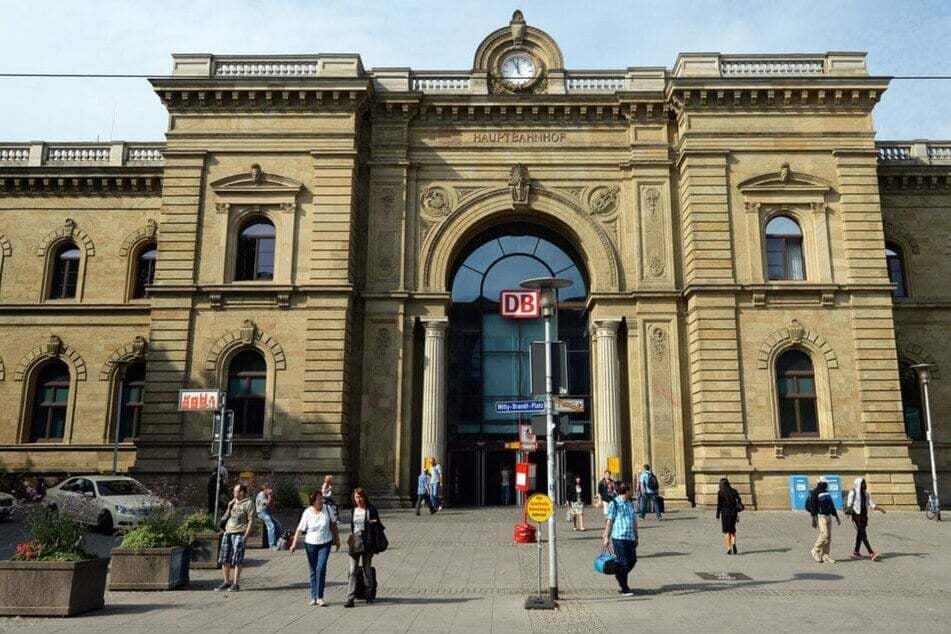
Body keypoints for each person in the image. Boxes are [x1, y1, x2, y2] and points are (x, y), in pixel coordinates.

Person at [289, 490, 340, 606]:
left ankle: (320, 596)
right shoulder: (307, 512)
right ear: (313, 502)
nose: (321, 501)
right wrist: (294, 544)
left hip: (325, 542)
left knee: (320, 568)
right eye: (318, 500)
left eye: (322, 499)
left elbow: (333, 525)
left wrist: (337, 540)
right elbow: (300, 529)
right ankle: (313, 596)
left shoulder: (327, 509)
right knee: (313, 570)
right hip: (310, 543)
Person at [216, 483, 255, 592]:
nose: (234, 493)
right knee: (224, 558)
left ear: (242, 492)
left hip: (239, 532)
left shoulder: (248, 503)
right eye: (234, 491)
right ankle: (226, 581)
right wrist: (229, 507)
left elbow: (251, 520)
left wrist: (246, 536)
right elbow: (226, 516)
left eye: (236, 491)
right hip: (228, 531)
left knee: (237, 559)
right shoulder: (232, 502)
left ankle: (235, 584)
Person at [345, 488, 381, 607]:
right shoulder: (353, 511)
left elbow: (377, 525)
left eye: (360, 497)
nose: (358, 499)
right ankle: (350, 598)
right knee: (352, 570)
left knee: (366, 569)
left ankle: (369, 593)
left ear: (364, 497)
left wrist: (372, 523)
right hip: (355, 542)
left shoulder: (371, 509)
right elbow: (352, 526)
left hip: (367, 542)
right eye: (356, 497)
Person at [602, 482, 638, 597]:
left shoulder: (630, 503)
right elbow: (610, 520)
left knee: (632, 560)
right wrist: (606, 536)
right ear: (626, 491)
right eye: (631, 489)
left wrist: (636, 536)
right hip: (618, 537)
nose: (633, 492)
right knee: (624, 563)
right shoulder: (615, 503)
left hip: (630, 537)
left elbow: (634, 520)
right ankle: (624, 587)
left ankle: (618, 572)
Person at [847, 477, 885, 560]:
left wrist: (880, 509)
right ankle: (871, 552)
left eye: (865, 483)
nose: (865, 485)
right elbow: (849, 505)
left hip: (864, 516)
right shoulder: (852, 493)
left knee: (860, 534)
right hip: (856, 516)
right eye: (863, 483)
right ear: (858, 485)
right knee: (863, 534)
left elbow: (872, 505)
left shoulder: (866, 494)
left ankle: (856, 552)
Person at [809, 479, 841, 563]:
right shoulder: (815, 493)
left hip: (828, 516)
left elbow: (831, 505)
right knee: (824, 535)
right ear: (820, 483)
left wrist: (836, 516)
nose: (826, 485)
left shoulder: (827, 492)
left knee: (828, 538)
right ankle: (815, 550)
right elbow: (813, 507)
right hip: (821, 517)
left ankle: (825, 555)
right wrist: (814, 519)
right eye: (825, 483)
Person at [716, 478, 742, 554]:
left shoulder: (720, 493)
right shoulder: (734, 491)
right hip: (733, 513)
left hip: (725, 513)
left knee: (726, 531)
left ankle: (729, 548)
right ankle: (734, 543)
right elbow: (739, 501)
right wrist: (737, 513)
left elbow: (719, 505)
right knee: (732, 530)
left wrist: (717, 515)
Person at [255, 483, 283, 550]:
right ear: (265, 489)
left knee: (278, 525)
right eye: (269, 489)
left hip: (267, 512)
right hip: (261, 513)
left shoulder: (266, 495)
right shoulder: (261, 495)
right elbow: (267, 504)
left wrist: (271, 498)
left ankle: (278, 542)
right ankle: (271, 545)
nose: (270, 490)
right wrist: (269, 495)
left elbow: (271, 506)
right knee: (271, 526)